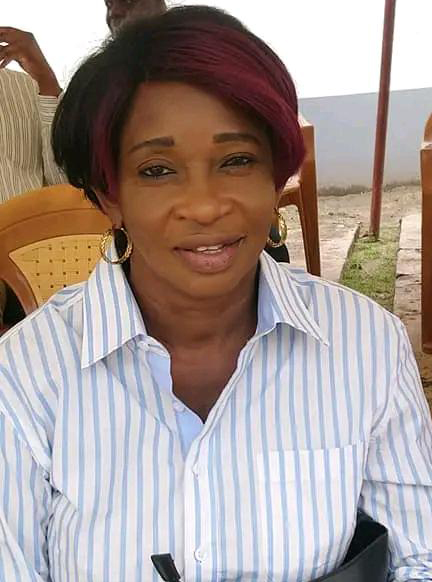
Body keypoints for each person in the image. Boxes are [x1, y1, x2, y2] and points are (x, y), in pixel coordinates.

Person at [0, 6, 431, 581]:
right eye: (157, 170)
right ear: (109, 195)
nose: (204, 206)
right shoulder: (24, 376)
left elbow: (417, 558)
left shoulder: (367, 345)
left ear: (277, 176)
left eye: (237, 161)